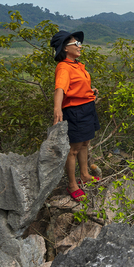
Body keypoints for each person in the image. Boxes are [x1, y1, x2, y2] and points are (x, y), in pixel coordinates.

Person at [50, 30, 100, 201]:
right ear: (65, 48)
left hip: (87, 108)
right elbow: (60, 89)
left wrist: (90, 91)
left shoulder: (77, 65)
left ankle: (85, 175)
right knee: (73, 149)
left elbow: (75, 87)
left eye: (80, 43)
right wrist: (57, 109)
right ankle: (72, 184)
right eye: (76, 44)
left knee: (85, 143)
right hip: (76, 111)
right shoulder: (64, 67)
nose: (80, 46)